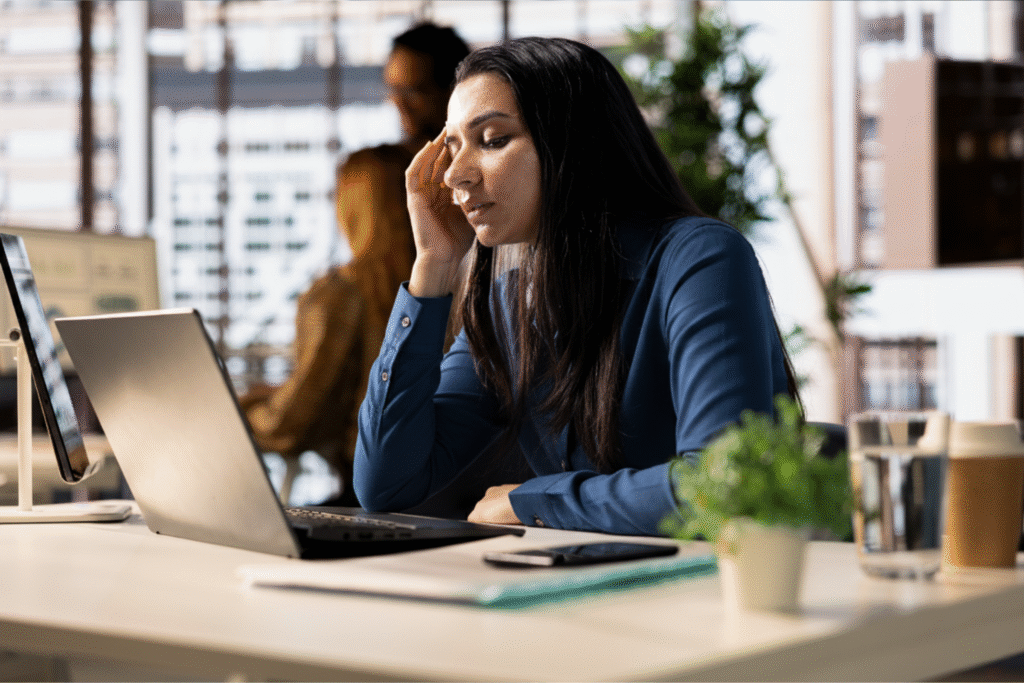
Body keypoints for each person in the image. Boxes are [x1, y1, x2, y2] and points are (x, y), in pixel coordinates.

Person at [353, 37, 799, 535]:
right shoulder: (508, 304)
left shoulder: (700, 260)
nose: (455, 175)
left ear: (571, 144)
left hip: (707, 595)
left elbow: (722, 485)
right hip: (581, 593)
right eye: (452, 148)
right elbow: (386, 484)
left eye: (493, 139)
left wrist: (535, 500)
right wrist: (433, 264)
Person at [239, 23, 470, 505]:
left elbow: (292, 422)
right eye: (393, 89)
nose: (399, 103)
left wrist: (243, 407)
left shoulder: (344, 294)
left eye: (415, 90)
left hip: (379, 490)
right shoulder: (457, 265)